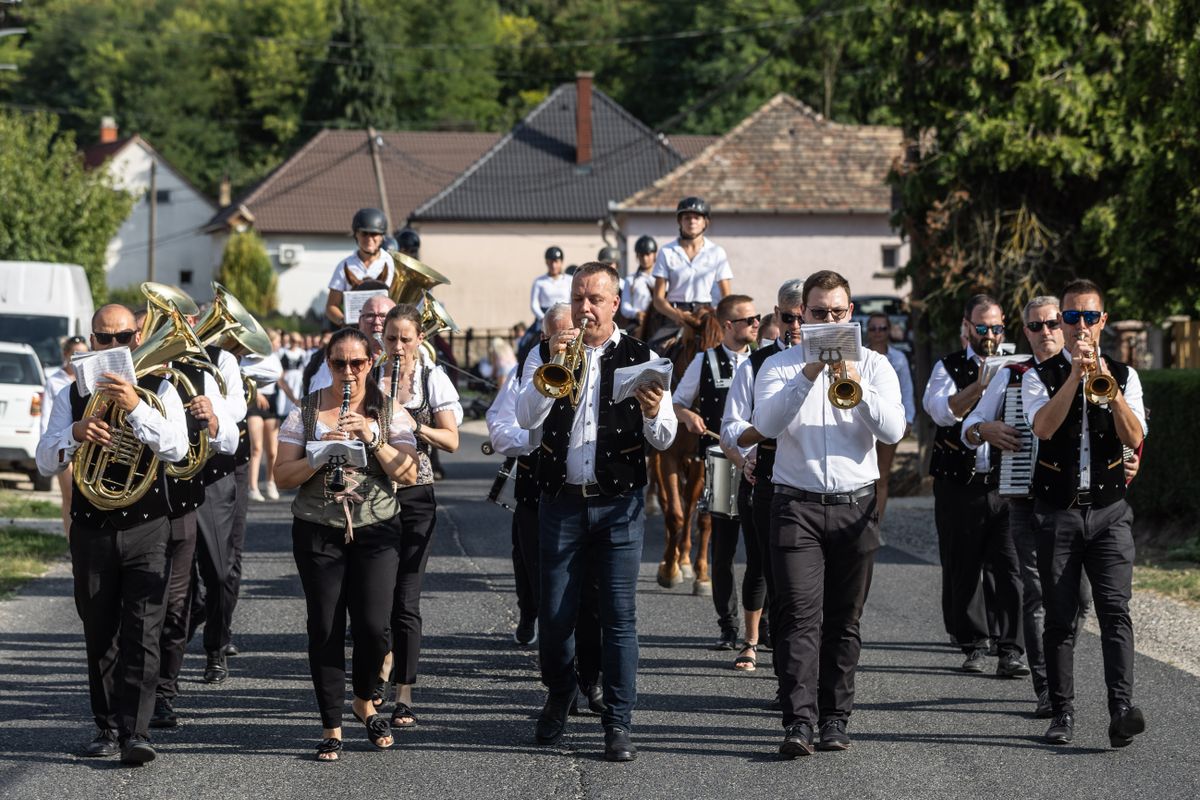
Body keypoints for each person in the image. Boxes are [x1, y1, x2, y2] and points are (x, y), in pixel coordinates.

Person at [516, 262, 677, 762]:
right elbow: (525, 421)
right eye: (579, 297)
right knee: (556, 616)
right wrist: (549, 375)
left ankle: (619, 721)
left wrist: (653, 412)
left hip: (618, 504)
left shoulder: (642, 356)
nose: (585, 308)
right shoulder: (543, 353)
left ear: (615, 303)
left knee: (619, 616)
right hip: (560, 500)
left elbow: (665, 436)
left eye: (595, 299)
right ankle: (561, 691)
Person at [752, 270, 905, 756]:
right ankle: (799, 722)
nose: (829, 320)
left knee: (844, 620)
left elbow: (893, 430)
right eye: (819, 313)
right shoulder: (779, 367)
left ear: (850, 313)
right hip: (795, 505)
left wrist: (856, 384)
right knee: (799, 618)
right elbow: (765, 424)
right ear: (803, 316)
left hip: (854, 503)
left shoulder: (877, 365)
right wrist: (811, 373)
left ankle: (836, 717)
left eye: (838, 313)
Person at [35, 304, 189, 765]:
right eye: (105, 338)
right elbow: (45, 460)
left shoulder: (162, 389)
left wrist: (136, 408)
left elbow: (177, 448)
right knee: (99, 630)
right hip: (92, 528)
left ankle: (136, 732)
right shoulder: (71, 394)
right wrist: (76, 433)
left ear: (136, 338)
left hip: (147, 526)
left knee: (144, 630)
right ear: (92, 341)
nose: (114, 346)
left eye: (123, 337)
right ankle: (105, 727)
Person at [273, 327, 420, 761]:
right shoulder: (304, 411)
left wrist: (374, 438)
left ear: (370, 363)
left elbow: (409, 474)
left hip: (376, 528)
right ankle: (331, 725)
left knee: (375, 627)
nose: (349, 373)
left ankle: (363, 700)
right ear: (328, 364)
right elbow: (281, 477)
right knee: (325, 626)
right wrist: (318, 456)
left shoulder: (391, 412)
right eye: (340, 364)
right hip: (318, 528)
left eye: (358, 363)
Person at [961, 295, 1109, 717]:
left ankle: (1054, 659)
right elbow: (968, 425)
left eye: (1050, 324)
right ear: (1023, 330)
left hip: (1071, 501)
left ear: (1061, 325)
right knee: (1038, 592)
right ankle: (1047, 687)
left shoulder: (1083, 369)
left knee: (1080, 599)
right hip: (1025, 497)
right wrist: (985, 430)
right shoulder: (1013, 374)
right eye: (1035, 325)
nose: (1044, 332)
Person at [1022, 278, 1148, 748]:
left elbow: (1134, 436)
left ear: (1103, 321)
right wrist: (1074, 375)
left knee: (1116, 610)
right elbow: (1043, 427)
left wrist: (1107, 385)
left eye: (1088, 317)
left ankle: (1121, 710)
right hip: (1058, 512)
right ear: (1061, 320)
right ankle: (1062, 711)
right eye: (1069, 318)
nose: (1078, 327)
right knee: (1060, 615)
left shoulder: (1126, 375)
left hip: (1110, 511)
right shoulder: (1038, 375)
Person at [922, 295, 1027, 675]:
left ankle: (1010, 647)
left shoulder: (1017, 367)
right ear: (967, 326)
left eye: (996, 328)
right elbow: (939, 411)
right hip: (958, 483)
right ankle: (973, 642)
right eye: (982, 328)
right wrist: (980, 388)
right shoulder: (947, 366)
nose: (989, 335)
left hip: (1005, 481)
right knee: (962, 562)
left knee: (1008, 566)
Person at [151, 316, 241, 731]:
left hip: (211, 474)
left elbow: (235, 418)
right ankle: (162, 681)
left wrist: (214, 416)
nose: (181, 325)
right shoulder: (150, 361)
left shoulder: (220, 360)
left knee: (220, 572)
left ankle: (216, 648)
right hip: (166, 482)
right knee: (172, 591)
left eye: (187, 318)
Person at [376, 303, 463, 729]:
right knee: (375, 598)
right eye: (391, 338)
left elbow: (452, 440)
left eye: (405, 339)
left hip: (416, 495)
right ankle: (377, 672)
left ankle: (403, 693)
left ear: (419, 341)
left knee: (406, 599)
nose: (397, 346)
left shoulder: (432, 378)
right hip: (372, 495)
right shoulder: (368, 376)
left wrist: (415, 424)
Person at [721, 279, 807, 688]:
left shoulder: (835, 361)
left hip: (809, 480)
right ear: (776, 316)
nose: (795, 325)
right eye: (787, 317)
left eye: (802, 317)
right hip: (766, 473)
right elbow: (731, 427)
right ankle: (751, 639)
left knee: (797, 576)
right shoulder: (753, 365)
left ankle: (797, 661)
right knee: (759, 560)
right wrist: (747, 454)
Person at [672, 294, 759, 665]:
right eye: (748, 319)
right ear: (728, 326)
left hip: (760, 463)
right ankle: (728, 625)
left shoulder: (766, 358)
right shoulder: (703, 361)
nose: (756, 324)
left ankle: (762, 625)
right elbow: (676, 402)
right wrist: (688, 417)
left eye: (758, 318)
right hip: (722, 462)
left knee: (761, 548)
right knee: (723, 548)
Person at [648, 197, 732, 350]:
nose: (692, 221)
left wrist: (718, 318)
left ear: (705, 222)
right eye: (687, 217)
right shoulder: (666, 252)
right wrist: (677, 315)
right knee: (654, 351)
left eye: (697, 217)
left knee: (729, 349)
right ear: (680, 222)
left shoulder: (717, 252)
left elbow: (726, 297)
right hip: (675, 316)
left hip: (707, 315)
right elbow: (658, 299)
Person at [42, 334, 89, 535]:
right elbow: (46, 416)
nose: (78, 357)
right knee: (69, 493)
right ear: (66, 355)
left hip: (85, 443)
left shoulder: (89, 379)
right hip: (65, 441)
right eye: (75, 353)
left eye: (83, 354)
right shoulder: (54, 381)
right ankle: (71, 537)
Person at [310, 291, 396, 393]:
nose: (376, 322)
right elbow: (318, 399)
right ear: (360, 322)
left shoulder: (412, 356)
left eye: (383, 316)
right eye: (370, 316)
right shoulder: (339, 357)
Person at [324, 208, 395, 326]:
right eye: (364, 233)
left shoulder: (393, 262)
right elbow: (331, 306)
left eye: (374, 234)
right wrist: (344, 322)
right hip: (356, 330)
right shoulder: (343, 265)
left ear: (382, 236)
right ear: (356, 234)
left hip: (386, 328)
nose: (369, 238)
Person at [247, 329, 284, 502]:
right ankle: (252, 487)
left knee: (273, 450)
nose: (279, 344)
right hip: (254, 403)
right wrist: (256, 393)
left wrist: (297, 400)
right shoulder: (250, 356)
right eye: (277, 341)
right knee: (256, 448)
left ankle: (270, 482)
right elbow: (242, 378)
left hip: (271, 403)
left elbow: (281, 381)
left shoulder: (275, 358)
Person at [619, 235, 657, 337]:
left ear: (654, 255)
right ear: (637, 256)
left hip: (658, 321)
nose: (645, 258)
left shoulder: (661, 279)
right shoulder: (630, 280)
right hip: (637, 322)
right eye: (641, 255)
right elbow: (625, 307)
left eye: (648, 254)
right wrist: (636, 313)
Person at [530, 246, 571, 327]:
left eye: (556, 262)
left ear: (561, 262)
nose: (553, 265)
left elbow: (573, 300)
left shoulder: (570, 280)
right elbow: (534, 304)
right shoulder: (539, 281)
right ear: (546, 262)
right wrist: (543, 318)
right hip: (544, 320)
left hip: (566, 318)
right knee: (527, 339)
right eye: (550, 262)